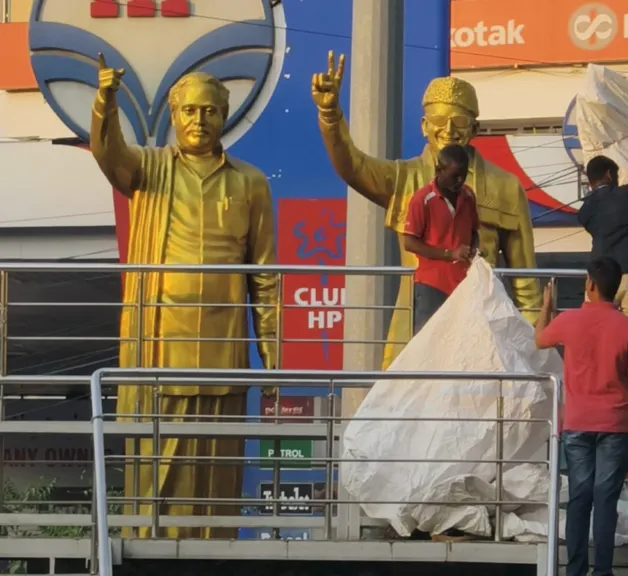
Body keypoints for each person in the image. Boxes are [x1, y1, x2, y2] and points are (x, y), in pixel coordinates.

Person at [90, 57, 279, 539]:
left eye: (210, 111)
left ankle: (212, 552)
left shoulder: (251, 182)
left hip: (223, 346)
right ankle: (151, 546)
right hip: (160, 343)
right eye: (190, 111)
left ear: (225, 116)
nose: (200, 120)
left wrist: (272, 353)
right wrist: (106, 102)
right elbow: (109, 153)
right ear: (174, 115)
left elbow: (264, 274)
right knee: (158, 459)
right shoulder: (148, 169)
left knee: (215, 463)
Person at [313, 51, 541, 369]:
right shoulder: (404, 178)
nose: (448, 129)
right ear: (424, 126)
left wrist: (532, 345)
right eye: (438, 120)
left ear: (475, 129)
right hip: (418, 317)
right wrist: (330, 115)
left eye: (459, 121)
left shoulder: (506, 187)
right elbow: (353, 166)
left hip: (481, 320)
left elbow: (526, 283)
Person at [535, 257, 628, 576]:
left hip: (578, 423)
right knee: (605, 500)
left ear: (590, 284)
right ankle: (603, 571)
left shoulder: (569, 320)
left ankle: (575, 570)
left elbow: (539, 339)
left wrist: (547, 307)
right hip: (616, 425)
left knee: (580, 498)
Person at [577, 155, 628, 428]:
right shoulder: (626, 193)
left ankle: (598, 411)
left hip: (600, 281)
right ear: (610, 175)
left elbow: (609, 228)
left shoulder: (585, 210)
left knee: (597, 347)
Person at [401, 144, 480, 334]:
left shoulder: (469, 196)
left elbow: (474, 231)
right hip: (432, 285)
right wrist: (450, 254)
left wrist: (475, 250)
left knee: (461, 342)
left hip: (464, 284)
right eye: (454, 176)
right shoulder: (422, 199)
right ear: (439, 171)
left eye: (463, 175)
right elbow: (409, 242)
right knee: (428, 342)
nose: (459, 181)